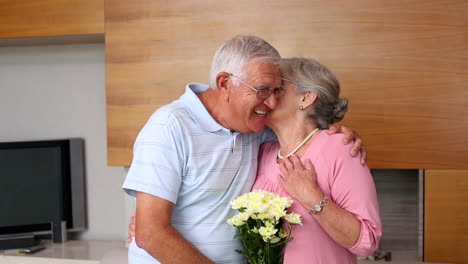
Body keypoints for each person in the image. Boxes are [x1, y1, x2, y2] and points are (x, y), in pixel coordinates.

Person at [122, 35, 366, 264]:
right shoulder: (170, 126)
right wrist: (146, 225)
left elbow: (301, 130)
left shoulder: (256, 130)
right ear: (225, 83)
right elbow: (151, 233)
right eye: (262, 90)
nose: (270, 103)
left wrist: (338, 134)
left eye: (276, 90)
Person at [251, 57, 382, 263]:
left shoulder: (339, 148)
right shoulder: (263, 151)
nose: (266, 96)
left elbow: (367, 241)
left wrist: (311, 197)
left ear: (306, 98)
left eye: (277, 89)